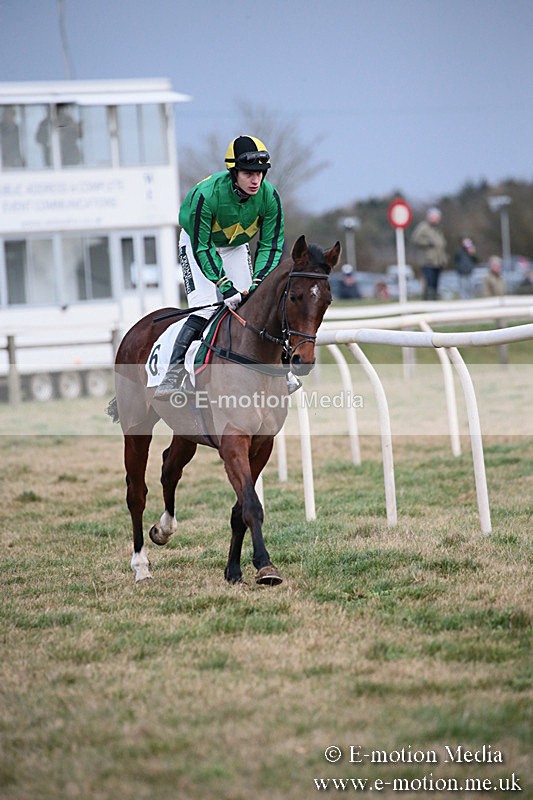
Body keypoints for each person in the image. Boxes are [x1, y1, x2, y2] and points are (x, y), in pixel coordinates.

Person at [154, 135, 285, 400]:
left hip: (236, 247)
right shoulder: (207, 194)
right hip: (198, 243)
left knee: (253, 305)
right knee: (206, 307)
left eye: (260, 173)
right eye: (248, 173)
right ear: (234, 172)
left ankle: (282, 370)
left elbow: (271, 245)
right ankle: (174, 372)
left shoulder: (270, 197)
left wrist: (258, 283)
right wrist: (224, 285)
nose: (256, 180)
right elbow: (202, 247)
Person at [411, 207, 448, 300]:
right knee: (429, 284)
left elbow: (441, 244)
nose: (437, 219)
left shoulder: (437, 229)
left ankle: (434, 303)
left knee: (435, 285)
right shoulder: (423, 227)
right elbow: (415, 239)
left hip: (438, 262)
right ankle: (427, 303)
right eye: (435, 217)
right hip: (428, 261)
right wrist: (428, 243)